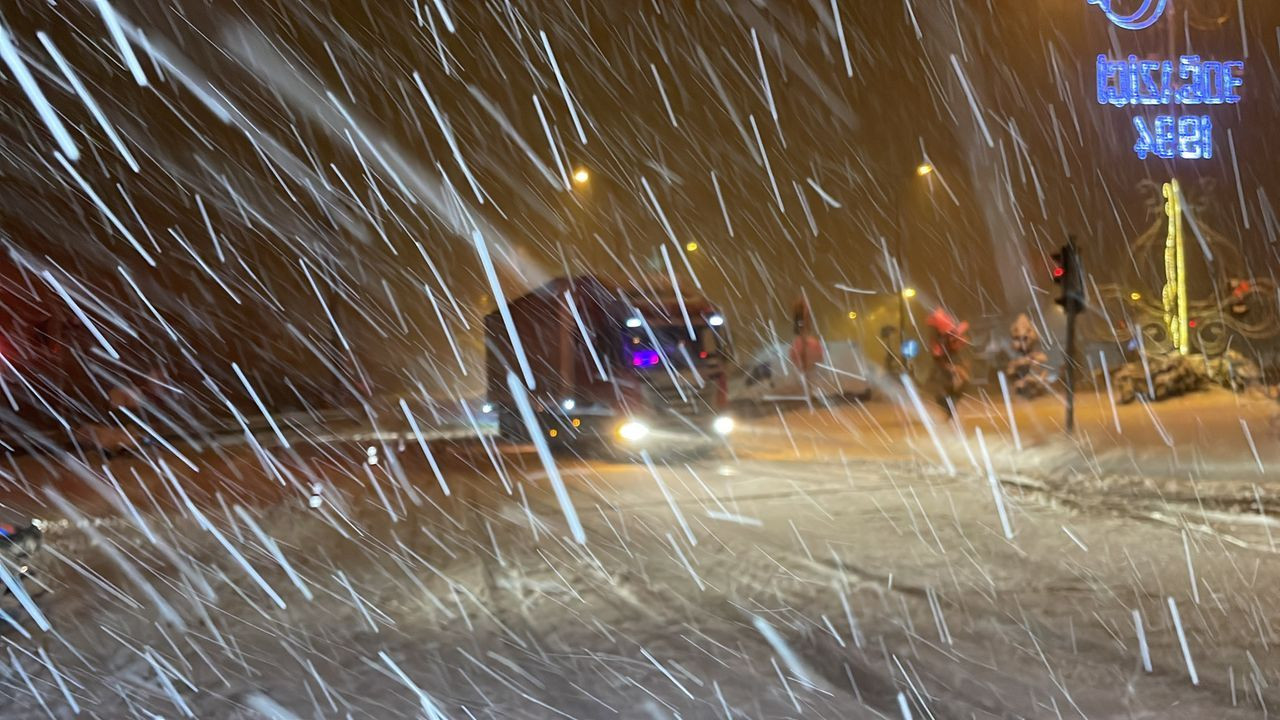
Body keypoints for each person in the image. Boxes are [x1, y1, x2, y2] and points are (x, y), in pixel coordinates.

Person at [926, 308, 970, 418]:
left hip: (950, 363)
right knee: (943, 390)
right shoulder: (940, 339)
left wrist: (955, 367)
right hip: (946, 365)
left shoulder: (949, 336)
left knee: (957, 385)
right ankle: (949, 406)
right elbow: (937, 355)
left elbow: (961, 342)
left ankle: (950, 405)